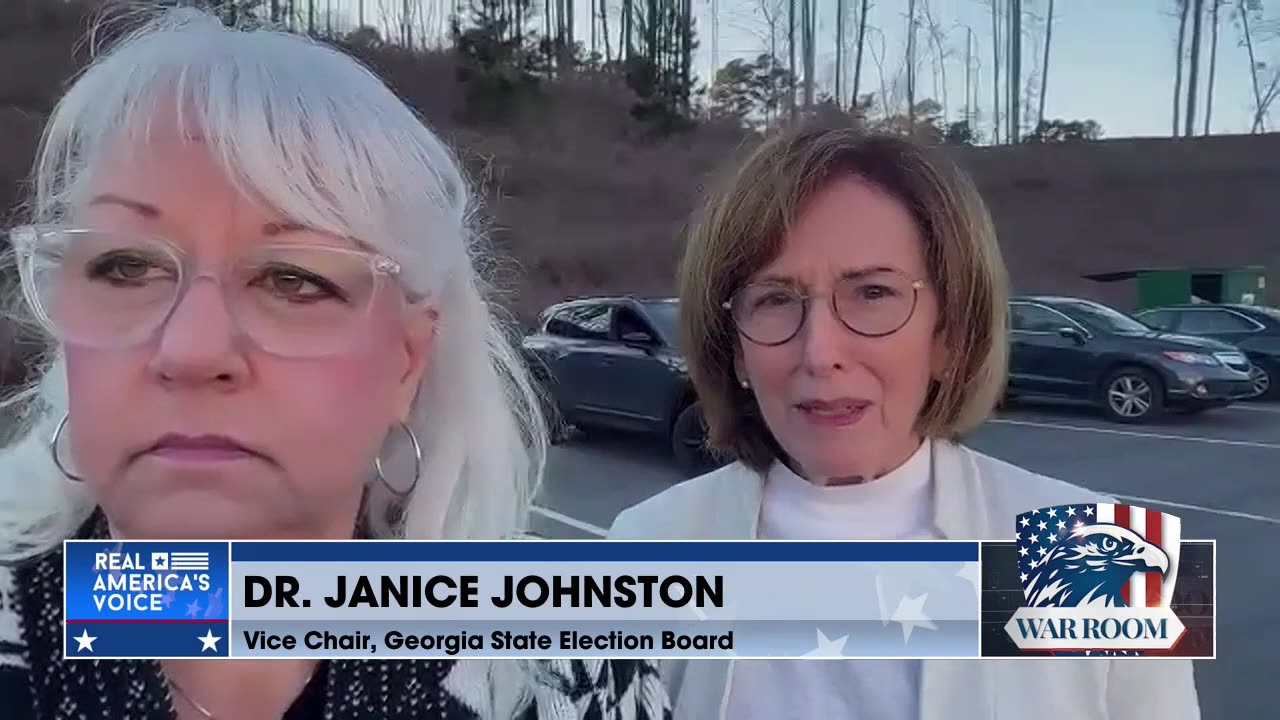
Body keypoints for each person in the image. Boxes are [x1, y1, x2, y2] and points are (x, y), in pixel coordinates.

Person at [0, 8, 669, 720]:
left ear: (407, 360)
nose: (190, 350)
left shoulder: (568, 664)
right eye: (125, 265)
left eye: (293, 278)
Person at [608, 126, 1201, 720]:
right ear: (736, 351)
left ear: (948, 335)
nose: (820, 352)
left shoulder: (1107, 555)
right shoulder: (646, 545)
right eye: (775, 299)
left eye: (872, 293)